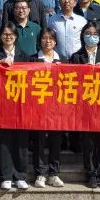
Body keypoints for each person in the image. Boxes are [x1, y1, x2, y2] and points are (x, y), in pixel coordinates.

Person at [69, 22, 100, 188]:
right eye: (88, 33)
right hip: (85, 106)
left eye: (95, 34)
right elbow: (70, 81)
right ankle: (91, 174)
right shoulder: (76, 57)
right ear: (83, 36)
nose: (91, 36)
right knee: (88, 142)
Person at [0, 22, 32, 190]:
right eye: (5, 34)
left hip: (20, 103)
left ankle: (20, 175)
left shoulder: (24, 56)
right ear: (0, 37)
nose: (8, 37)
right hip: (2, 103)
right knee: (5, 141)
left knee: (21, 140)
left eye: (11, 34)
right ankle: (6, 176)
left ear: (16, 36)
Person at [30, 27, 67, 188]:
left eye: (51, 38)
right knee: (39, 141)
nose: (47, 41)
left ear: (56, 41)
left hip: (57, 107)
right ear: (40, 41)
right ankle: (39, 173)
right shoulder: (33, 59)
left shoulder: (63, 60)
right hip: (38, 107)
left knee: (55, 140)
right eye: (44, 38)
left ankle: (54, 173)